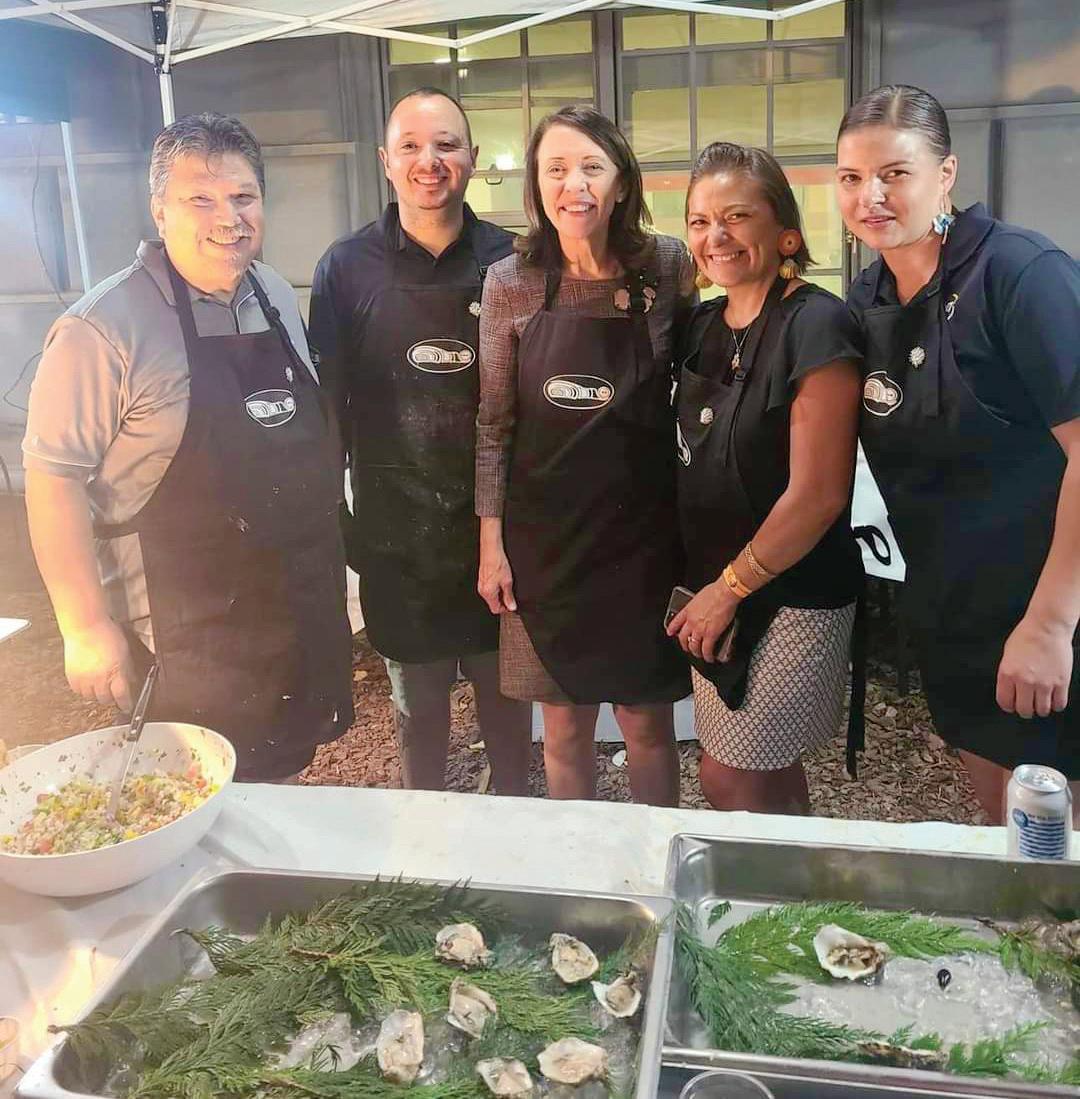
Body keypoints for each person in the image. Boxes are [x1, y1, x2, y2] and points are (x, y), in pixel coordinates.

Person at [22, 113, 353, 782]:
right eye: (200, 198)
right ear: (159, 211)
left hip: (292, 612)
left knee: (280, 784)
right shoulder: (101, 329)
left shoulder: (273, 294)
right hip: (185, 639)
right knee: (189, 798)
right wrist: (84, 626)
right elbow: (52, 479)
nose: (228, 218)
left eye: (243, 196)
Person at [837, 84, 1080, 822]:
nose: (871, 196)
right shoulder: (866, 298)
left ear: (945, 173)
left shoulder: (1018, 272)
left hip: (1052, 603)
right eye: (851, 177)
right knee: (1004, 832)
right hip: (951, 608)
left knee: (1061, 836)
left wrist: (1050, 624)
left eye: (895, 173)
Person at [309, 88, 532, 794]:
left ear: (472, 158)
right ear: (385, 160)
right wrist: (339, 518)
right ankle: (423, 825)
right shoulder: (346, 267)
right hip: (396, 533)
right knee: (418, 707)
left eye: (446, 145)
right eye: (410, 146)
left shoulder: (514, 259)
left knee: (507, 700)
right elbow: (327, 407)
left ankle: (513, 809)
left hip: (498, 528)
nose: (428, 160)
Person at [476, 105, 693, 806]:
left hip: (641, 545)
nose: (575, 185)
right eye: (557, 169)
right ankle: (580, 865)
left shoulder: (668, 266)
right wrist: (491, 545)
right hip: (545, 546)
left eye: (592, 167)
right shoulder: (509, 281)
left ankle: (657, 858)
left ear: (622, 182)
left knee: (647, 725)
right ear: (536, 185)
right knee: (564, 729)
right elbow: (493, 425)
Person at [666, 143, 865, 815]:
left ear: (785, 233)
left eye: (736, 216)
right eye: (700, 221)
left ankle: (778, 883)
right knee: (766, 772)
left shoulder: (817, 324)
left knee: (730, 777)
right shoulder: (701, 326)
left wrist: (727, 591)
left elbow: (819, 495)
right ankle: (802, 880)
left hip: (788, 593)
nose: (716, 236)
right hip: (711, 589)